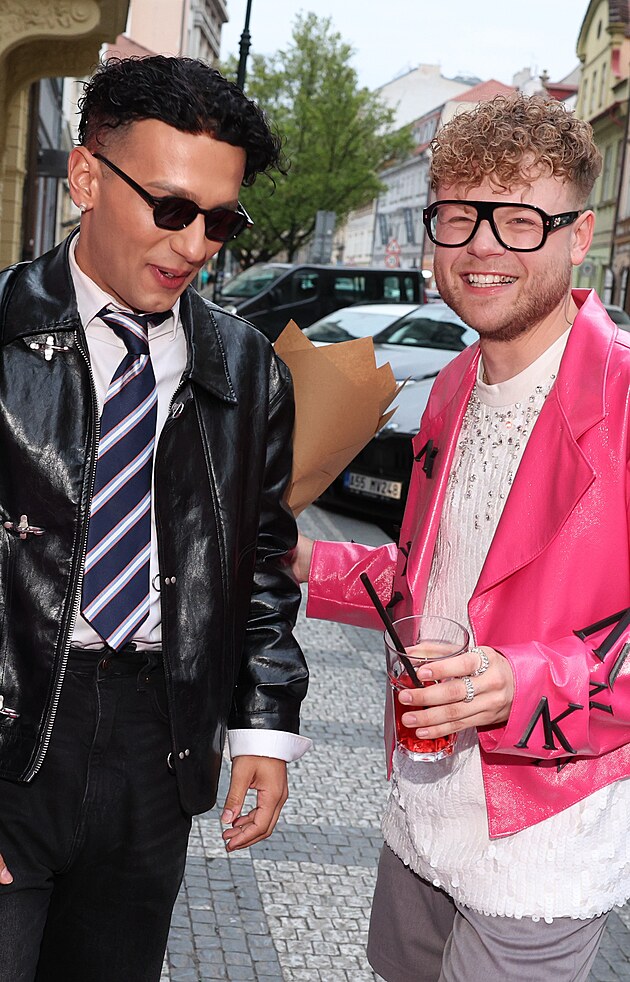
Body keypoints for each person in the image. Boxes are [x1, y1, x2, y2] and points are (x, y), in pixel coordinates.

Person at [292, 93, 630, 981]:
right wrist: (302, 560)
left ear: (579, 234)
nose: (482, 246)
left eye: (519, 220)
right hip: (422, 810)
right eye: (458, 217)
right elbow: (432, 576)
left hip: (544, 839)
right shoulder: (449, 386)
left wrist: (521, 683)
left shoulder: (624, 401)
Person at [0, 55, 311, 982]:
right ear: (87, 178)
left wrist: (263, 727)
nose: (194, 245)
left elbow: (261, 561)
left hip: (158, 741)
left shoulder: (246, 367)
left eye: (221, 220)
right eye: (171, 208)